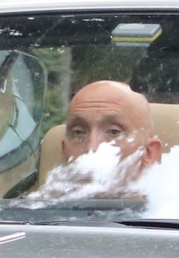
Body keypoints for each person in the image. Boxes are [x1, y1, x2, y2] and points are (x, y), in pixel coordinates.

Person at [29, 80, 164, 199]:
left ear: (148, 153)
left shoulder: (170, 220)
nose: (92, 148)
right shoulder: (32, 222)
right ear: (65, 150)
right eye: (78, 133)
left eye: (113, 132)